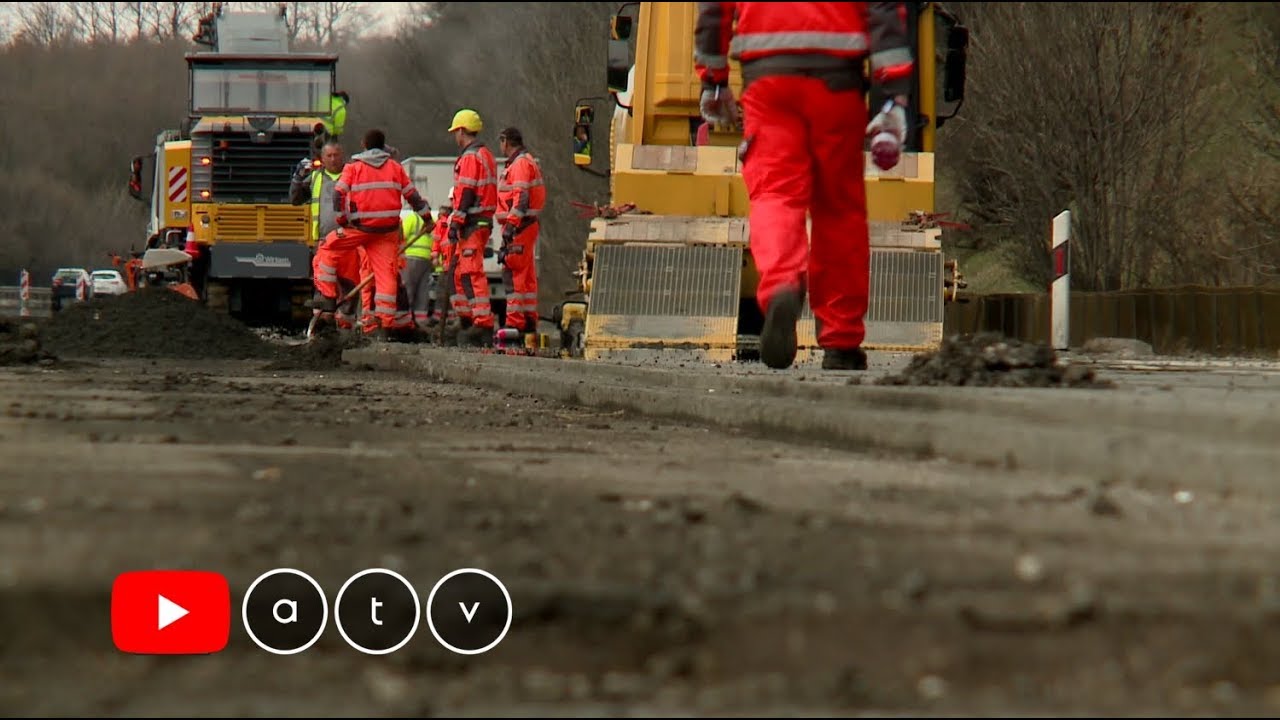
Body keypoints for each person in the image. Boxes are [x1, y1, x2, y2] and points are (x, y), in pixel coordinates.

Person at [694, 2, 913, 371]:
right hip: (838, 82)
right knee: (839, 209)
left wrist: (713, 81)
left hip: (768, 78)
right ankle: (841, 342)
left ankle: (782, 285)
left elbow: (713, 9)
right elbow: (885, 8)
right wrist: (894, 90)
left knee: (775, 193)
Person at [312, 128, 430, 335]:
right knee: (386, 277)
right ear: (383, 146)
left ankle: (328, 303)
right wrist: (427, 218)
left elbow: (338, 194)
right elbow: (413, 196)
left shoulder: (354, 168)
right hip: (386, 232)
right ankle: (384, 325)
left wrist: (341, 219)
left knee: (326, 252)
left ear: (363, 145)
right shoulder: (394, 167)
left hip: (359, 228)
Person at [292, 139, 365, 330]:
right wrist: (298, 178)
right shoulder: (315, 178)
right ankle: (322, 324)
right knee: (323, 283)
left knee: (350, 282)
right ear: (322, 158)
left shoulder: (353, 176)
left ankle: (346, 323)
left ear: (343, 155)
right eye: (329, 156)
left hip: (348, 240)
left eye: (336, 155)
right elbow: (295, 199)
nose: (333, 159)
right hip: (323, 241)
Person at [446, 108, 499, 346]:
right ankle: (469, 319)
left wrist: (456, 221)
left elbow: (466, 192)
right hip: (481, 220)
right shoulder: (486, 154)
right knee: (461, 273)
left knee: (471, 272)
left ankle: (482, 323)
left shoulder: (469, 157)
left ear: (461, 131)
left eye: (455, 132)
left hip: (472, 222)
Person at [495, 127, 546, 336]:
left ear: (506, 141)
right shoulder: (524, 162)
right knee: (526, 275)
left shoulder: (521, 164)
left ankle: (515, 321)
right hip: (524, 225)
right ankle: (527, 319)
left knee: (513, 271)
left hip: (520, 226)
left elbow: (521, 198)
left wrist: (510, 225)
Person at [400, 204, 436, 330]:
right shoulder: (433, 222)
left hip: (411, 257)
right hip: (426, 259)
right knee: (423, 290)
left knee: (409, 288)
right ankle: (421, 319)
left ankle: (408, 319)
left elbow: (401, 236)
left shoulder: (412, 218)